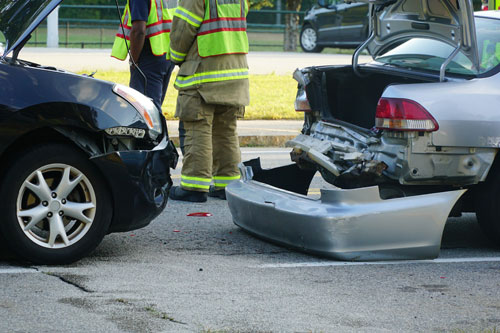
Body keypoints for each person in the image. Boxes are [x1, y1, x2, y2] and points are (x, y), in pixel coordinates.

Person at [168, 0, 250, 202]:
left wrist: (175, 57)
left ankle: (194, 187)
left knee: (198, 127)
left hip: (203, 74)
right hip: (234, 73)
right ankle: (227, 185)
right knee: (226, 130)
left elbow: (183, 29)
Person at [111, 0, 176, 113]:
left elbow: (139, 31)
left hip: (148, 56)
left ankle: (153, 131)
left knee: (144, 111)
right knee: (154, 108)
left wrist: (134, 60)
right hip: (166, 53)